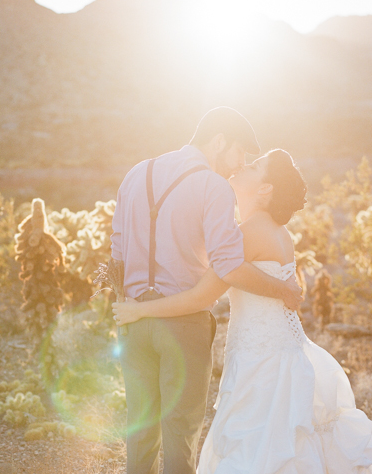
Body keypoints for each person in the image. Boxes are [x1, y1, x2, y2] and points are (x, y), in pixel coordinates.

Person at [113, 149, 372, 473]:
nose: (241, 165)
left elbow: (201, 297)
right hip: (279, 349)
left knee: (259, 448)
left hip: (262, 359)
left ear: (265, 188)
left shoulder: (247, 233)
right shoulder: (277, 232)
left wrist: (139, 312)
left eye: (254, 166)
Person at [110, 107, 304, 474]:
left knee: (139, 435)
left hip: (132, 321)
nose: (239, 165)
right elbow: (229, 266)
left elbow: (117, 251)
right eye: (239, 154)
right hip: (183, 325)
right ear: (218, 141)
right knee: (181, 436)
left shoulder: (136, 173)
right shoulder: (212, 185)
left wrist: (126, 307)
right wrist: (283, 289)